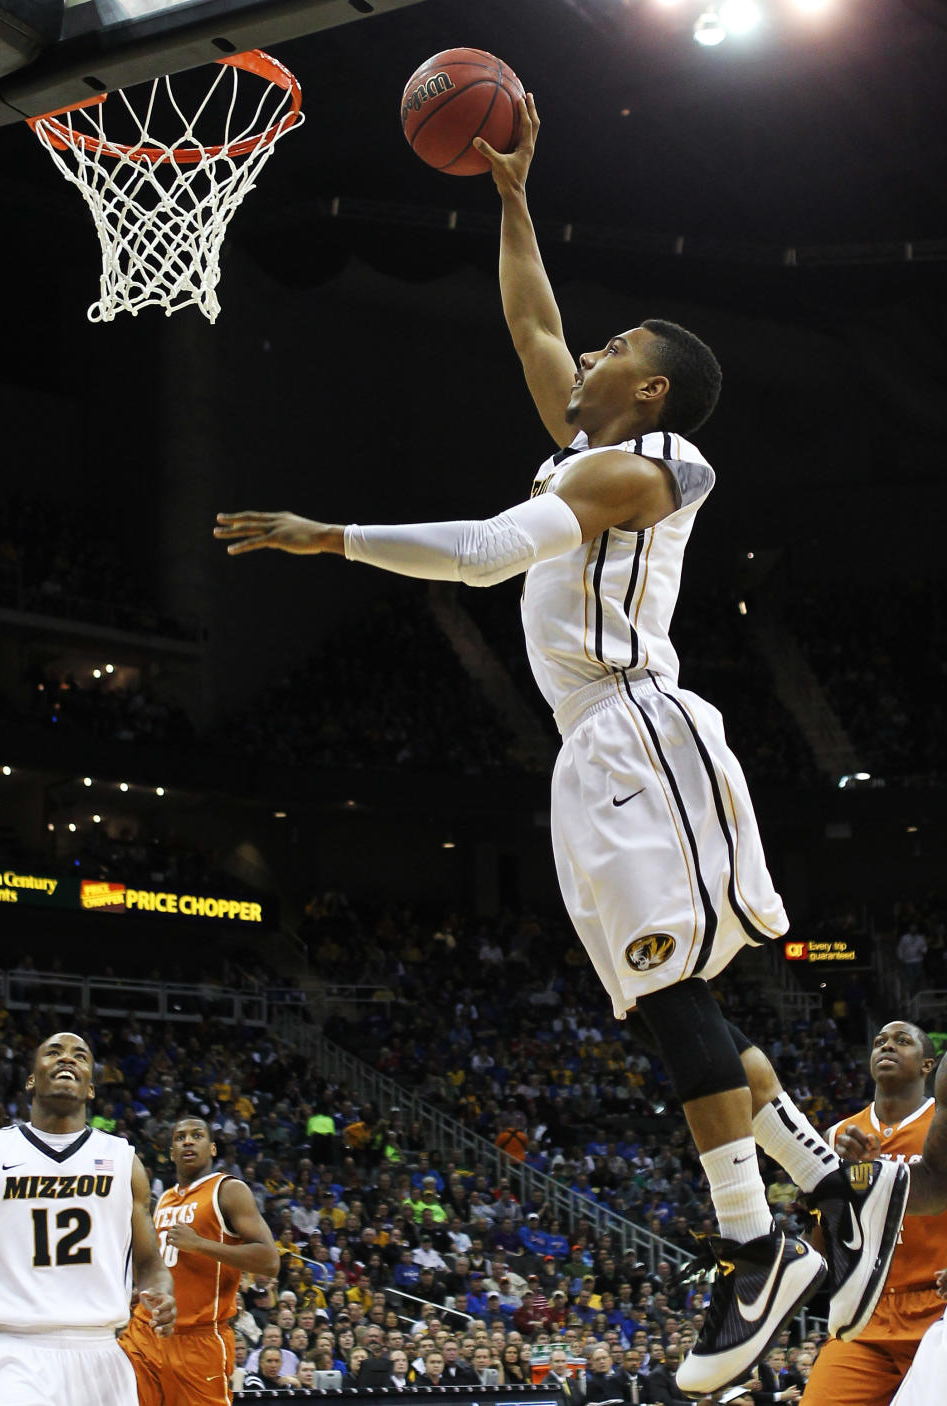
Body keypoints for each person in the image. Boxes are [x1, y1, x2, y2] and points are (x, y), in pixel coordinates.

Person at [212, 92, 908, 1398]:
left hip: (642, 731)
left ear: (648, 389)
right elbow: (530, 321)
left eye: (617, 342)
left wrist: (330, 535)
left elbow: (482, 556)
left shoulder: (649, 467)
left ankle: (758, 1248)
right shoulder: (581, 450)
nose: (584, 346)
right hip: (596, 748)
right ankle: (840, 1179)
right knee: (665, 996)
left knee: (671, 996)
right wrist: (515, 199)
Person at [0, 1031, 176, 1406]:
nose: (67, 1059)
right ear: (31, 1080)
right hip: (15, 1350)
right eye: (53, 1052)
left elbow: (151, 1263)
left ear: (91, 1088)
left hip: (102, 1351)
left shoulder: (123, 1160)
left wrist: (163, 1294)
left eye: (80, 1056)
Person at [802, 1022, 945, 1406]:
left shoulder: (941, 1127)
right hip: (867, 1313)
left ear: (927, 1065)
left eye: (902, 1041)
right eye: (880, 1041)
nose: (887, 1047)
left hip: (939, 1307)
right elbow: (824, 1243)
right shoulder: (836, 1137)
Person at [119, 1114, 279, 1406]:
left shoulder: (228, 1189)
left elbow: (270, 1261)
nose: (188, 1141)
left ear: (213, 1148)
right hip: (147, 1331)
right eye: (180, 1138)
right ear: (171, 1153)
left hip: (200, 1340)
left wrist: (200, 1245)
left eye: (197, 1135)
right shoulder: (165, 1198)